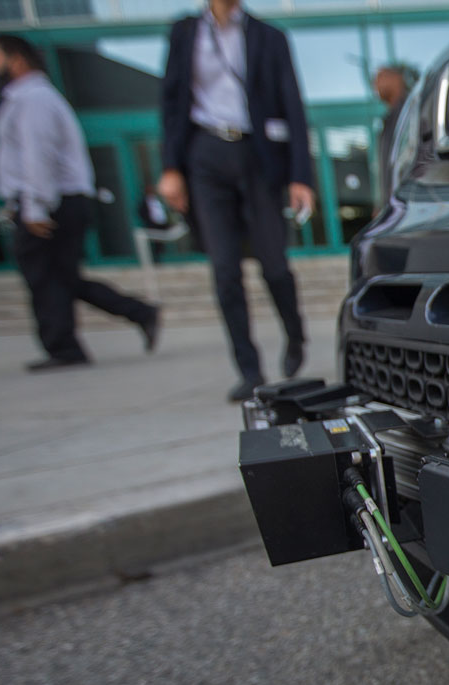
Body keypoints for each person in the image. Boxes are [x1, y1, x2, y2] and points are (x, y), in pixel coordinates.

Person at [157, 0, 315, 402]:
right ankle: (249, 370)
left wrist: (300, 176)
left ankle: (295, 334)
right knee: (224, 269)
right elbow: (172, 102)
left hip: (257, 154)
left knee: (274, 264)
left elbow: (293, 104)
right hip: (205, 155)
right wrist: (171, 167)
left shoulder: (268, 36)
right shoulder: (184, 32)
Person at [0, 34, 161, 372]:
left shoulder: (33, 99)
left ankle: (65, 346)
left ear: (17, 59)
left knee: (45, 276)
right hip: (54, 200)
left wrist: (34, 206)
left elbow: (39, 155)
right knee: (61, 277)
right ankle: (136, 314)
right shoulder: (31, 98)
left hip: (51, 202)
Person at [374, 64, 416, 204]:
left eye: (380, 77)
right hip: (393, 201)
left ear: (396, 79)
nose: (375, 84)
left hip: (408, 198)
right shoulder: (388, 119)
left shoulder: (411, 113)